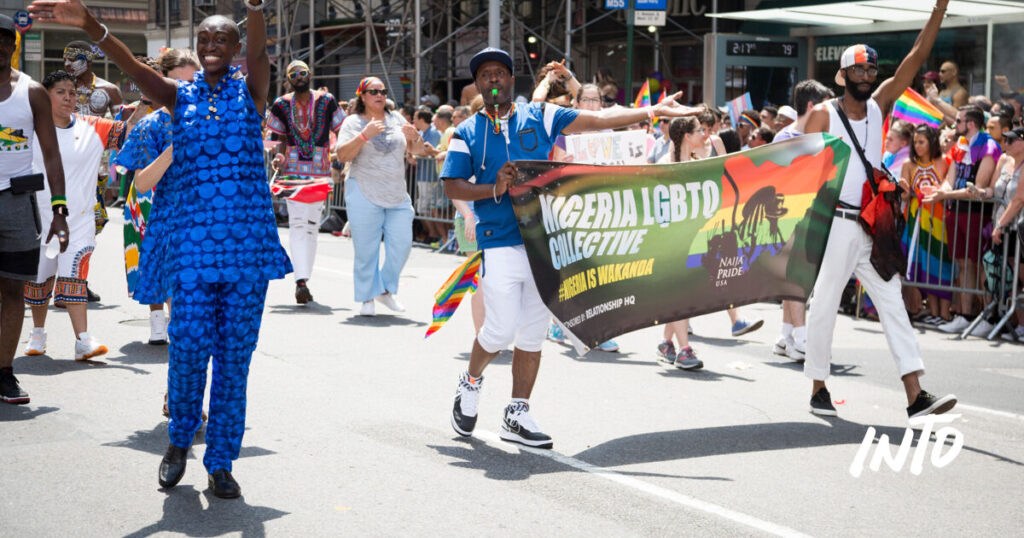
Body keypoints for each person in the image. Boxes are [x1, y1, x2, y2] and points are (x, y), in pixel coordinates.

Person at [30, 0, 293, 498]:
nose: (212, 46)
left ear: (235, 49)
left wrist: (256, 8)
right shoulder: (176, 97)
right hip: (192, 249)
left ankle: (220, 462)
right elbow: (130, 65)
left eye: (222, 40)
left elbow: (260, 52)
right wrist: (91, 26)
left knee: (235, 358)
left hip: (245, 253)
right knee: (189, 347)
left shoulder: (252, 94)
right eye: (205, 40)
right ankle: (177, 441)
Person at [442, 47, 701, 448]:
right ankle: (470, 382)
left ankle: (517, 412)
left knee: (531, 334)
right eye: (485, 75)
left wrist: (652, 113)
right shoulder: (467, 132)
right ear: (477, 84)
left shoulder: (539, 115)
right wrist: (494, 187)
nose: (493, 80)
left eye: (500, 73)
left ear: (512, 80)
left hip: (545, 242)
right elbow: (452, 184)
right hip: (501, 242)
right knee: (498, 329)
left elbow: (598, 119)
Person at [803, 0, 958, 420]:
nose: (868, 77)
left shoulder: (878, 105)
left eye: (872, 70)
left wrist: (938, 11)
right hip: (835, 225)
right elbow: (797, 168)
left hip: (872, 225)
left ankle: (915, 394)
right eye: (860, 70)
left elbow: (914, 59)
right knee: (823, 306)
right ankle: (818, 385)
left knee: (892, 301)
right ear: (843, 74)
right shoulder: (822, 115)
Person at [23, 70, 129, 361]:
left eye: (73, 93)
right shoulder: (30, 129)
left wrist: (145, 100)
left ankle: (83, 340)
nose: (69, 98)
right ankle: (38, 333)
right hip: (39, 218)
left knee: (75, 278)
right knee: (39, 280)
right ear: (46, 96)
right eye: (61, 92)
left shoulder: (92, 126)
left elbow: (128, 131)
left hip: (80, 218)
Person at [0, 13, 70, 405]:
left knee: (13, 290)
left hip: (16, 201)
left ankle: (4, 372)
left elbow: (51, 154)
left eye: (3, 40)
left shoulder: (31, 92)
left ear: (13, 45)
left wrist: (59, 210)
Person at [117, 49, 199, 346]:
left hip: (206, 216)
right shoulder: (150, 126)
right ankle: (161, 324)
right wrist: (174, 148)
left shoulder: (214, 120)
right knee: (162, 270)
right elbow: (141, 183)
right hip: (159, 209)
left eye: (192, 83)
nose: (185, 92)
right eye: (177, 84)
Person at [335, 76, 427, 316]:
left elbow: (416, 151)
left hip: (396, 193)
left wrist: (415, 137)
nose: (380, 95)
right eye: (373, 91)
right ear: (363, 96)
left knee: (403, 245)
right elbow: (342, 155)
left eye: (383, 91)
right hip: (363, 191)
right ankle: (367, 297)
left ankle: (384, 290)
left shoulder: (396, 118)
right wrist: (364, 135)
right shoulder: (353, 122)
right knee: (366, 250)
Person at [266, 59, 346, 304]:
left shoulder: (327, 100)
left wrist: (339, 160)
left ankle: (304, 278)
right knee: (299, 223)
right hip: (292, 170)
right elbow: (273, 137)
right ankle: (300, 281)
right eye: (294, 74)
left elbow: (342, 128)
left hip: (320, 169)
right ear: (288, 79)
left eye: (303, 72)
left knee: (312, 224)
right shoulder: (281, 104)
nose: (299, 76)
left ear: (310, 74)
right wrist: (277, 155)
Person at [925, 105, 1001, 334]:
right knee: (962, 263)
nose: (954, 124)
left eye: (958, 121)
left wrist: (943, 194)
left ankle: (989, 317)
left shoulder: (988, 147)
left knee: (980, 265)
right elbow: (951, 177)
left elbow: (977, 188)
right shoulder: (960, 145)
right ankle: (966, 316)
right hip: (955, 210)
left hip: (977, 213)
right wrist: (942, 191)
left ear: (970, 124)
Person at [771, 79, 833, 361]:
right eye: (825, 106)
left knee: (792, 278)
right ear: (811, 106)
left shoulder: (806, 136)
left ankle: (785, 336)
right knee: (796, 278)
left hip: (804, 215)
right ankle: (803, 339)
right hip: (788, 216)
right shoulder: (788, 138)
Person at [899, 124, 953, 328]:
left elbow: (947, 188)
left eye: (922, 141)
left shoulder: (944, 161)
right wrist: (904, 189)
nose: (918, 146)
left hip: (939, 220)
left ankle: (945, 313)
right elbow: (904, 194)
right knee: (922, 264)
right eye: (915, 142)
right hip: (915, 219)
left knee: (940, 263)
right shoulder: (908, 164)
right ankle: (932, 311)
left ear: (932, 142)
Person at [988, 127, 1024, 341]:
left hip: (1016, 228)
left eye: (1011, 140)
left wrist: (1000, 224)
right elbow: (994, 190)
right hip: (1010, 228)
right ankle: (1019, 324)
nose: (1006, 144)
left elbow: (1019, 199)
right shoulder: (1004, 161)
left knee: (1021, 275)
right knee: (1013, 278)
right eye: (1005, 140)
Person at [62, 39, 122, 117]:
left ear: (88, 62)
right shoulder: (60, 89)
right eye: (65, 60)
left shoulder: (110, 90)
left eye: (72, 60)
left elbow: (121, 125)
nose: (67, 64)